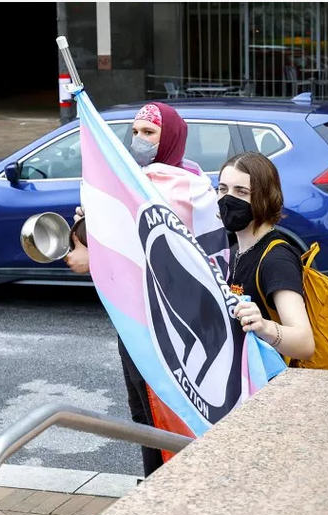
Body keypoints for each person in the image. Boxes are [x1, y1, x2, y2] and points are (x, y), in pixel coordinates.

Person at [64, 101, 224, 477]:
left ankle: (173, 486)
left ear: (170, 137)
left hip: (173, 325)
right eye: (135, 132)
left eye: (149, 133)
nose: (139, 140)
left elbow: (204, 262)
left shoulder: (193, 187)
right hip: (132, 319)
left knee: (168, 413)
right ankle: (153, 483)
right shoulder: (124, 181)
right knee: (141, 412)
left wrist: (97, 259)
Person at [218, 152, 315, 360]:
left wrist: (264, 327)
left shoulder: (276, 259)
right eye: (223, 189)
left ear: (264, 197)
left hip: (270, 385)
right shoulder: (234, 247)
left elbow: (305, 343)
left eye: (241, 192)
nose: (228, 199)